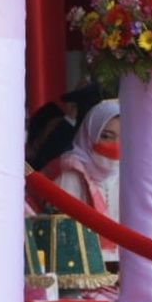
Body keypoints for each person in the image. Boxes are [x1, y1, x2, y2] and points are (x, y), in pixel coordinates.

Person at [51, 99, 120, 264]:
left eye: (123, 138)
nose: (116, 146)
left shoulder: (130, 177)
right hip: (84, 269)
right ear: (90, 135)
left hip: (127, 270)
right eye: (106, 137)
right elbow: (63, 240)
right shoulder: (70, 176)